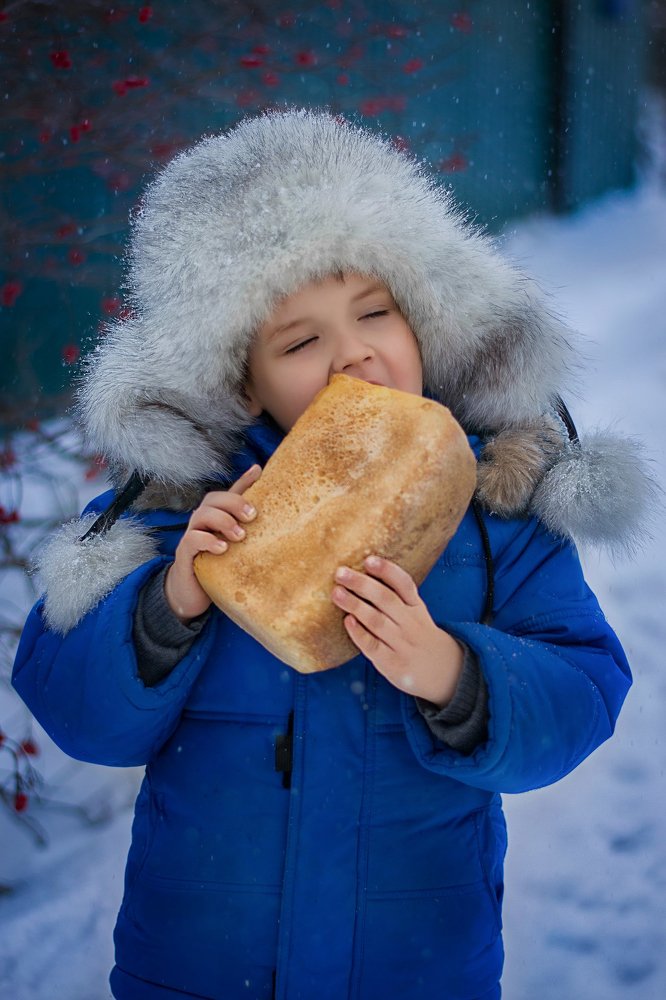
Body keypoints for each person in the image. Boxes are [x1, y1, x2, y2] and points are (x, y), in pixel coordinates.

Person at [12, 110, 652, 1000]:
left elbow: (582, 695)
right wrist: (171, 605)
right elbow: (77, 714)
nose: (352, 354)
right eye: (300, 341)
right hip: (200, 969)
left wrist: (456, 676)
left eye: (376, 313)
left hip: (417, 966)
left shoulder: (498, 513)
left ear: (426, 321)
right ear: (242, 379)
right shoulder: (181, 515)